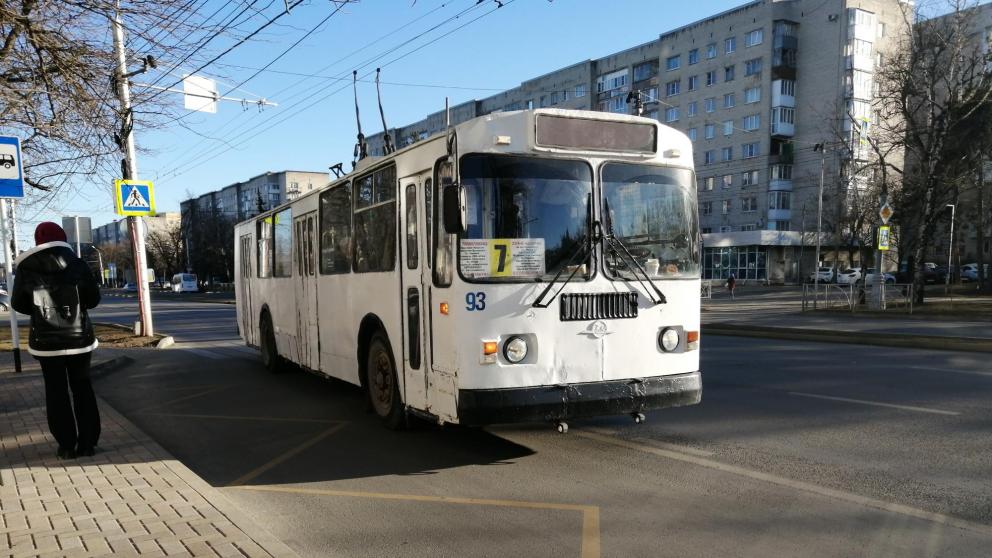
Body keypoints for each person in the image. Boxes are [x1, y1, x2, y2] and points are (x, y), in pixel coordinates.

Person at [12, 222, 101, 459]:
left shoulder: (26, 267)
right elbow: (93, 300)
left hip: (45, 341)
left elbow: (17, 304)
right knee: (82, 388)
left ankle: (66, 446)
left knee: (55, 392)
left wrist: (39, 309)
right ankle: (88, 444)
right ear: (62, 238)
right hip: (79, 339)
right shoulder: (78, 264)